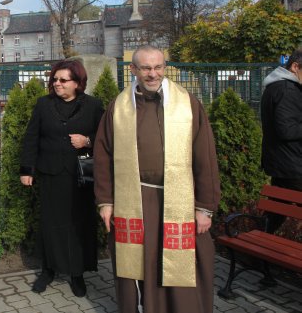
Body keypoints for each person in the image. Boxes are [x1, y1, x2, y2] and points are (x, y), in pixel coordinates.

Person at [93, 45, 220, 313]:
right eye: (146, 68)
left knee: (185, 261)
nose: (153, 74)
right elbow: (103, 155)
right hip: (136, 199)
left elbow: (205, 157)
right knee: (140, 262)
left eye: (158, 67)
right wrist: (105, 201)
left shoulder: (187, 104)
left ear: (165, 67)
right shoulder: (119, 107)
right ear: (134, 70)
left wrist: (204, 207)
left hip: (180, 201)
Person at [19, 59, 104, 297]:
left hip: (81, 175)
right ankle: (48, 270)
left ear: (78, 83)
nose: (57, 84)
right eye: (55, 79)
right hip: (50, 174)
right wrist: (27, 170)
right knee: (50, 223)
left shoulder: (94, 106)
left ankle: (77, 274)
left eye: (63, 80)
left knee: (79, 223)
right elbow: (31, 138)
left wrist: (87, 141)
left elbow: (107, 137)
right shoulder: (43, 105)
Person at [260, 48, 302, 233]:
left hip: (283, 163)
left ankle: (259, 244)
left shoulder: (277, 86)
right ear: (295, 66)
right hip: (293, 166)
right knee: (277, 210)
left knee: (277, 211)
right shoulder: (287, 90)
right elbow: (287, 130)